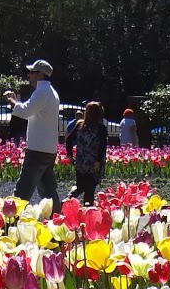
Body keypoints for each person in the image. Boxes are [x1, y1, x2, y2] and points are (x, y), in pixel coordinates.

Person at [7, 59, 60, 204]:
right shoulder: (51, 92)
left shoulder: (42, 92)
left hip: (38, 150)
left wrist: (13, 102)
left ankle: (12, 221)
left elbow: (25, 111)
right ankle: (58, 218)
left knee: (22, 191)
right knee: (48, 190)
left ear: (40, 75)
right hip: (48, 149)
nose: (29, 75)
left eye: (31, 72)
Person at [67, 100, 108, 204]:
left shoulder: (79, 125)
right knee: (90, 189)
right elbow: (102, 146)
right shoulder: (100, 128)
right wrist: (99, 160)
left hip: (80, 162)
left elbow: (68, 139)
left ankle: (69, 200)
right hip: (94, 162)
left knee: (81, 186)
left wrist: (70, 155)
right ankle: (88, 211)